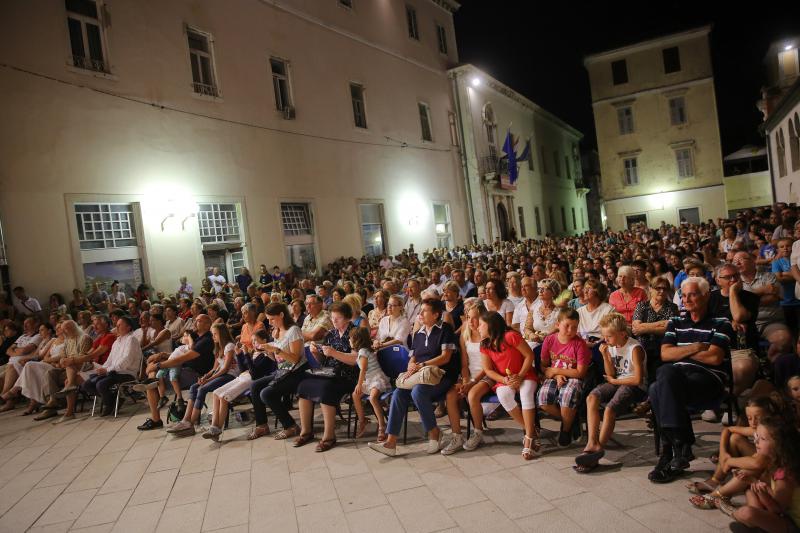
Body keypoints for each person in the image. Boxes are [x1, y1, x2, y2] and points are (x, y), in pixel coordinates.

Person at [648, 277, 734, 484]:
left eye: (692, 294)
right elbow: (665, 354)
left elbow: (714, 358)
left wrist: (680, 352)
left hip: (708, 380)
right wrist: (696, 347)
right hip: (677, 380)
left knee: (658, 386)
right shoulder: (675, 322)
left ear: (706, 295)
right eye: (683, 295)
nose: (686, 299)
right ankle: (676, 451)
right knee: (661, 381)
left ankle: (674, 449)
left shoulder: (721, 322)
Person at [369, 299, 458, 457]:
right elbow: (413, 357)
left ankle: (434, 433)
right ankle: (391, 442)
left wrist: (422, 364)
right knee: (398, 393)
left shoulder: (445, 330)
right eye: (420, 311)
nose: (420, 314)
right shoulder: (419, 332)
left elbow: (446, 357)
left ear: (436, 314)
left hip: (441, 376)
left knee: (418, 392)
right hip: (421, 375)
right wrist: (411, 365)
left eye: (424, 311)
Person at [460, 310, 539, 459]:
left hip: (525, 374)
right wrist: (505, 380)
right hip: (505, 378)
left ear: (490, 325)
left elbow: (529, 355)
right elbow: (488, 370)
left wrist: (520, 376)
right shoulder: (485, 344)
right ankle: (530, 430)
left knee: (525, 393)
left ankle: (528, 440)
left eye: (481, 325)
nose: (478, 328)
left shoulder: (511, 336)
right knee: (503, 394)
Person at [575, 313, 646, 472]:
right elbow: (611, 373)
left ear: (622, 334)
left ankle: (597, 449)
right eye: (604, 335)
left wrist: (614, 381)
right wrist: (606, 355)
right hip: (619, 380)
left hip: (635, 385)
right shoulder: (612, 347)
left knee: (609, 409)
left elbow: (638, 380)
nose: (605, 339)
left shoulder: (634, 348)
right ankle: (591, 442)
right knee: (592, 397)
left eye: (608, 336)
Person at [235, 303, 306, 441]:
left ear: (281, 315)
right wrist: (267, 351)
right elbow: (278, 360)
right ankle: (262, 425)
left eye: (272, 319)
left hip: (296, 371)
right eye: (268, 319)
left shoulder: (293, 330)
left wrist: (275, 350)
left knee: (266, 393)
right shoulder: (277, 331)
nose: (269, 322)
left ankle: (290, 425)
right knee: (255, 385)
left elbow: (295, 358)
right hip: (283, 371)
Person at [293, 302, 358, 451]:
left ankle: (329, 436)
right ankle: (306, 431)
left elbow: (356, 360)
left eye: (338, 318)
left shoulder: (355, 333)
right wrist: (316, 353)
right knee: (304, 385)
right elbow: (324, 361)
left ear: (347, 318)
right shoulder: (331, 334)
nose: (334, 321)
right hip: (330, 373)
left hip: (348, 376)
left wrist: (334, 353)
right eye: (333, 318)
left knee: (325, 390)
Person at [137, 314, 215, 430]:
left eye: (198, 321)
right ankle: (154, 389)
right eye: (195, 320)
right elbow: (181, 353)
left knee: (152, 381)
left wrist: (158, 365)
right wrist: (163, 355)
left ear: (208, 325)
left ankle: (156, 418)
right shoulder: (198, 338)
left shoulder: (206, 340)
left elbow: (183, 358)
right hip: (185, 369)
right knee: (153, 375)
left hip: (196, 374)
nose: (194, 323)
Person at [730, 416, 800, 532]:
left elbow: (776, 510)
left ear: (779, 444)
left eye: (762, 438)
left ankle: (741, 519)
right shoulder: (780, 462)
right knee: (750, 492)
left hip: (793, 525)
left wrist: (762, 492)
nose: (756, 441)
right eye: (756, 436)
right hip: (784, 515)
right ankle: (753, 526)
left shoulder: (785, 474)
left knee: (746, 513)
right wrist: (754, 482)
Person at [167, 323, 238, 436]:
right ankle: (185, 420)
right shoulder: (218, 347)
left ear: (222, 334)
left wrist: (208, 380)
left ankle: (191, 424)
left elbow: (225, 369)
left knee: (202, 389)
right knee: (194, 387)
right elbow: (215, 368)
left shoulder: (229, 346)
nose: (213, 337)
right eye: (212, 334)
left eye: (215, 334)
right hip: (220, 375)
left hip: (230, 376)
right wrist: (205, 376)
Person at [68, 316, 143, 418]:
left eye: (119, 325)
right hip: (113, 371)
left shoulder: (131, 339)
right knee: (87, 384)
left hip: (127, 373)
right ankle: (113, 399)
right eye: (116, 325)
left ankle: (109, 404)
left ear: (128, 327)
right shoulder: (117, 342)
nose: (116, 327)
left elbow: (126, 361)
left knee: (100, 384)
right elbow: (110, 360)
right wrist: (102, 369)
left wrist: (107, 370)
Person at [538, 308, 591, 447]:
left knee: (567, 397)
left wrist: (556, 370)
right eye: (566, 326)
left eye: (574, 327)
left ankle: (566, 429)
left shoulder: (580, 344)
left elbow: (580, 372)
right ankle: (571, 420)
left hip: (573, 377)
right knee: (543, 399)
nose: (570, 330)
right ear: (557, 324)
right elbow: (544, 366)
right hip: (555, 376)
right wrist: (556, 375)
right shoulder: (549, 340)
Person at [54, 314, 117, 422]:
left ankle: (69, 412)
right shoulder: (99, 338)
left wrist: (72, 360)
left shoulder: (109, 337)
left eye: (98, 324)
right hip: (93, 367)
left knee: (70, 378)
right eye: (94, 324)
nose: (94, 327)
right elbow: (86, 354)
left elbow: (92, 355)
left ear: (106, 324)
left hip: (105, 368)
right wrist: (73, 359)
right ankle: (69, 409)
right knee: (69, 379)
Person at [632, 277, 679, 379]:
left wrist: (645, 328)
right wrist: (660, 324)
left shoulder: (672, 307)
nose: (662, 291)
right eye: (658, 288)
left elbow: (669, 328)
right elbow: (636, 327)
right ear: (650, 288)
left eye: (665, 289)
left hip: (662, 348)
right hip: (642, 348)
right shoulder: (641, 305)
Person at [351, 326, 391, 440]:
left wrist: (359, 384)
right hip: (369, 380)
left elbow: (363, 369)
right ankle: (363, 421)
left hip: (377, 379)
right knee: (355, 395)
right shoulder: (363, 350)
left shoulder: (363, 351)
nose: (349, 340)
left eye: (351, 338)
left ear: (356, 340)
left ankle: (382, 426)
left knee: (373, 398)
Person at [0, 317, 42, 410]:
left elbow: (25, 350)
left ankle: (4, 396)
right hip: (12, 363)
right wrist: (17, 352)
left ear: (35, 324)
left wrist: (16, 351)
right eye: (24, 324)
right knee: (1, 377)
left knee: (11, 368)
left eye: (27, 324)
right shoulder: (22, 336)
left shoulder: (37, 336)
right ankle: (8, 400)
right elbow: (8, 350)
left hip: (23, 363)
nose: (24, 326)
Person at [523, 278, 560, 346]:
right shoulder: (534, 309)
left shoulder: (560, 311)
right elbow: (527, 328)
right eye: (539, 288)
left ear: (553, 292)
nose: (540, 291)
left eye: (545, 288)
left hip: (553, 343)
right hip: (535, 342)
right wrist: (531, 334)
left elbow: (559, 328)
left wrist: (544, 337)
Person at [576, 279, 614, 343]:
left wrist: (595, 343)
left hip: (601, 343)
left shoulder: (608, 310)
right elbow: (577, 333)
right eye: (584, 289)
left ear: (598, 292)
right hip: (583, 343)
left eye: (589, 288)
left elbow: (611, 333)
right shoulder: (579, 311)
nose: (585, 291)